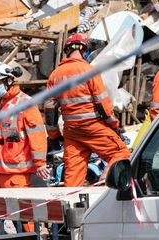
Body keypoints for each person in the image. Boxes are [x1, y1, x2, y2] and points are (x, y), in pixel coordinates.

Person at [44, 33, 131, 187]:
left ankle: (69, 204)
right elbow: (103, 104)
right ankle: (105, 183)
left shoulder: (55, 75)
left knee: (73, 173)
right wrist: (114, 126)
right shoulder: (89, 70)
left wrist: (54, 136)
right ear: (85, 50)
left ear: (67, 50)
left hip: (72, 132)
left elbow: (50, 111)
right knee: (121, 153)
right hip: (93, 127)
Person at [0, 61, 49, 233]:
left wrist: (40, 162)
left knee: (23, 216)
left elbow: (37, 134)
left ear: (10, 80)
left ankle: (32, 236)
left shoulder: (25, 103)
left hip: (15, 172)